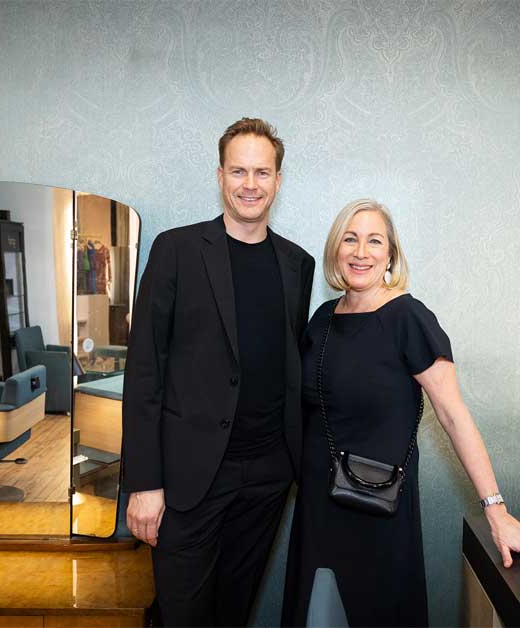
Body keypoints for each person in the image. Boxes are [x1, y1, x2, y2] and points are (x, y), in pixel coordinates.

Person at [280, 199, 520, 626]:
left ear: (390, 254)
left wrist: (496, 510)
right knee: (317, 615)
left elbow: (452, 415)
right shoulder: (321, 319)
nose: (361, 251)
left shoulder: (408, 317)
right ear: (336, 248)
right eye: (350, 239)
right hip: (319, 505)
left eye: (375, 241)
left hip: (377, 507)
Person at [122, 118, 315, 626]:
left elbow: (290, 364)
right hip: (189, 479)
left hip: (268, 476)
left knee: (235, 613)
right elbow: (144, 372)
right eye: (239, 171)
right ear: (220, 175)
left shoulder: (298, 264)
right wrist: (144, 483)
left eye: (262, 172)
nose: (250, 184)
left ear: (277, 179)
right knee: (182, 616)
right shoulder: (175, 250)